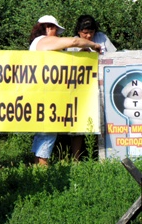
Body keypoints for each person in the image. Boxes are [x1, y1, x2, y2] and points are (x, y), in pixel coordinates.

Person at [29, 15, 101, 166]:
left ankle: (36, 168)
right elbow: (74, 41)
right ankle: (42, 172)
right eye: (56, 30)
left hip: (41, 93)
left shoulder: (38, 44)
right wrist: (94, 45)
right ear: (47, 27)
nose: (57, 35)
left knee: (42, 135)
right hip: (46, 95)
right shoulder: (43, 41)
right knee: (47, 134)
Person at [66, 15, 116, 160]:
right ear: (79, 31)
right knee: (79, 124)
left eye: (91, 32)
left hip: (103, 86)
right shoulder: (73, 42)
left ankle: (100, 157)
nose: (88, 35)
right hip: (81, 90)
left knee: (101, 121)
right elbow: (68, 65)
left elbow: (115, 57)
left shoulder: (102, 38)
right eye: (85, 32)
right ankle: (75, 159)